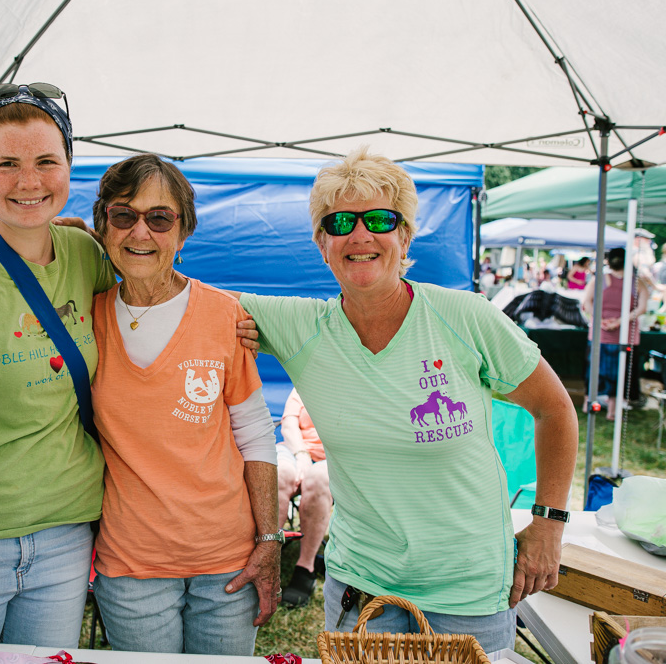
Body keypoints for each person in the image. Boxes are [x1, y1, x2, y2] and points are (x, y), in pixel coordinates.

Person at [0, 83, 261, 646]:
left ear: (69, 167)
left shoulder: (84, 255)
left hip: (69, 530)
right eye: (7, 164)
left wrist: (237, 320)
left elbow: (149, 279)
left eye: (46, 162)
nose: (29, 181)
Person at [230, 147, 577, 652]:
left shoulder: (466, 318)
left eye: (380, 219)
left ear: (406, 236)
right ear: (322, 243)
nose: (360, 234)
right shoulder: (300, 328)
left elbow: (555, 409)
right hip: (363, 589)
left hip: (470, 592)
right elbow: (186, 301)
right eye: (340, 222)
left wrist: (548, 524)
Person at [88, 154, 279, 655]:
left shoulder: (225, 314)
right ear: (103, 224)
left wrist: (270, 540)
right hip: (131, 566)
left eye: (159, 218)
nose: (140, 233)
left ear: (184, 229)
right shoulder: (85, 317)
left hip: (228, 563)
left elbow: (256, 434)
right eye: (123, 215)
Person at [276, 387, 332, 608]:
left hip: (335, 455)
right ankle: (266, 558)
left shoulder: (357, 382)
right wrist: (302, 456)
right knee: (278, 473)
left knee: (318, 478)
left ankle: (305, 568)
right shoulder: (305, 381)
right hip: (295, 449)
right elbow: (288, 424)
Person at [581, 247, 650, 421]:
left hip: (610, 333)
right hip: (618, 334)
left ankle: (589, 404)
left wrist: (602, 320)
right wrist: (616, 321)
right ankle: (611, 410)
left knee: (595, 369)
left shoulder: (601, 280)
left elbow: (587, 303)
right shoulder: (636, 282)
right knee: (618, 372)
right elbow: (642, 308)